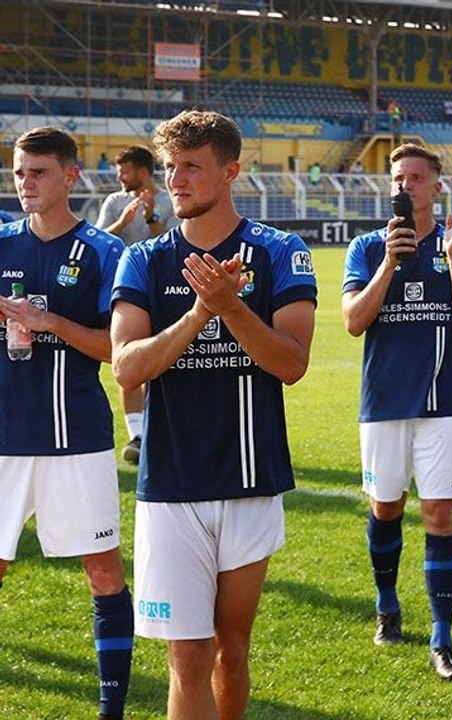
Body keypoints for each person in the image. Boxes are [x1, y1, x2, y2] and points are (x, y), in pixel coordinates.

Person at [110, 110, 317, 718]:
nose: (176, 180)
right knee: (188, 657)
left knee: (232, 647)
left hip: (250, 477)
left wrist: (231, 306)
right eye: (171, 167)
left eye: (192, 167)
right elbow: (127, 367)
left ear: (230, 172)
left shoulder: (280, 250)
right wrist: (202, 313)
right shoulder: (144, 260)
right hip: (171, 483)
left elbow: (291, 362)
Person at [342, 144, 452, 680]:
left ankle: (442, 639)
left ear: (436, 185)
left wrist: (451, 259)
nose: (405, 187)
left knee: (440, 516)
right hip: (384, 404)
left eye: (415, 178)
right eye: (397, 179)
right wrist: (388, 262)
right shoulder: (365, 247)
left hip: (445, 402)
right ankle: (387, 606)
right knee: (386, 509)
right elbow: (354, 321)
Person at [0, 126, 132, 720]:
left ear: (70, 177)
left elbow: (119, 350)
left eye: (38, 172)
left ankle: (112, 710)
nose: (25, 183)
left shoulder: (104, 253)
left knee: (102, 570)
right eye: (19, 172)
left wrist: (49, 324)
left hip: (75, 439)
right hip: (3, 439)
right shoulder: (0, 244)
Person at [96, 145, 177, 465]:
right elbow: (99, 240)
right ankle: (137, 435)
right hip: (126, 292)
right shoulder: (114, 201)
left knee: (169, 360)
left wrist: (148, 215)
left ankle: (167, 431)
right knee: (128, 360)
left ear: (142, 171)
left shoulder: (169, 200)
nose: (119, 177)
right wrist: (123, 221)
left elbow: (171, 241)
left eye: (124, 170)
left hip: (164, 288)